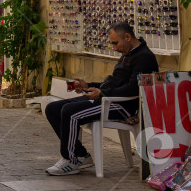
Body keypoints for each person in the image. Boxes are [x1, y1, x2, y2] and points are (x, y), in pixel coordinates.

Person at [44, 22, 158, 176]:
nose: (114, 48)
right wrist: (89, 86)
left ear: (128, 37)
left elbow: (134, 88)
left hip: (121, 106)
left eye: (115, 43)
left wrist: (102, 94)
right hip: (108, 99)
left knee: (70, 112)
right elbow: (113, 82)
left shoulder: (144, 57)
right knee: (53, 109)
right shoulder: (127, 54)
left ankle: (71, 159)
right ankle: (82, 155)